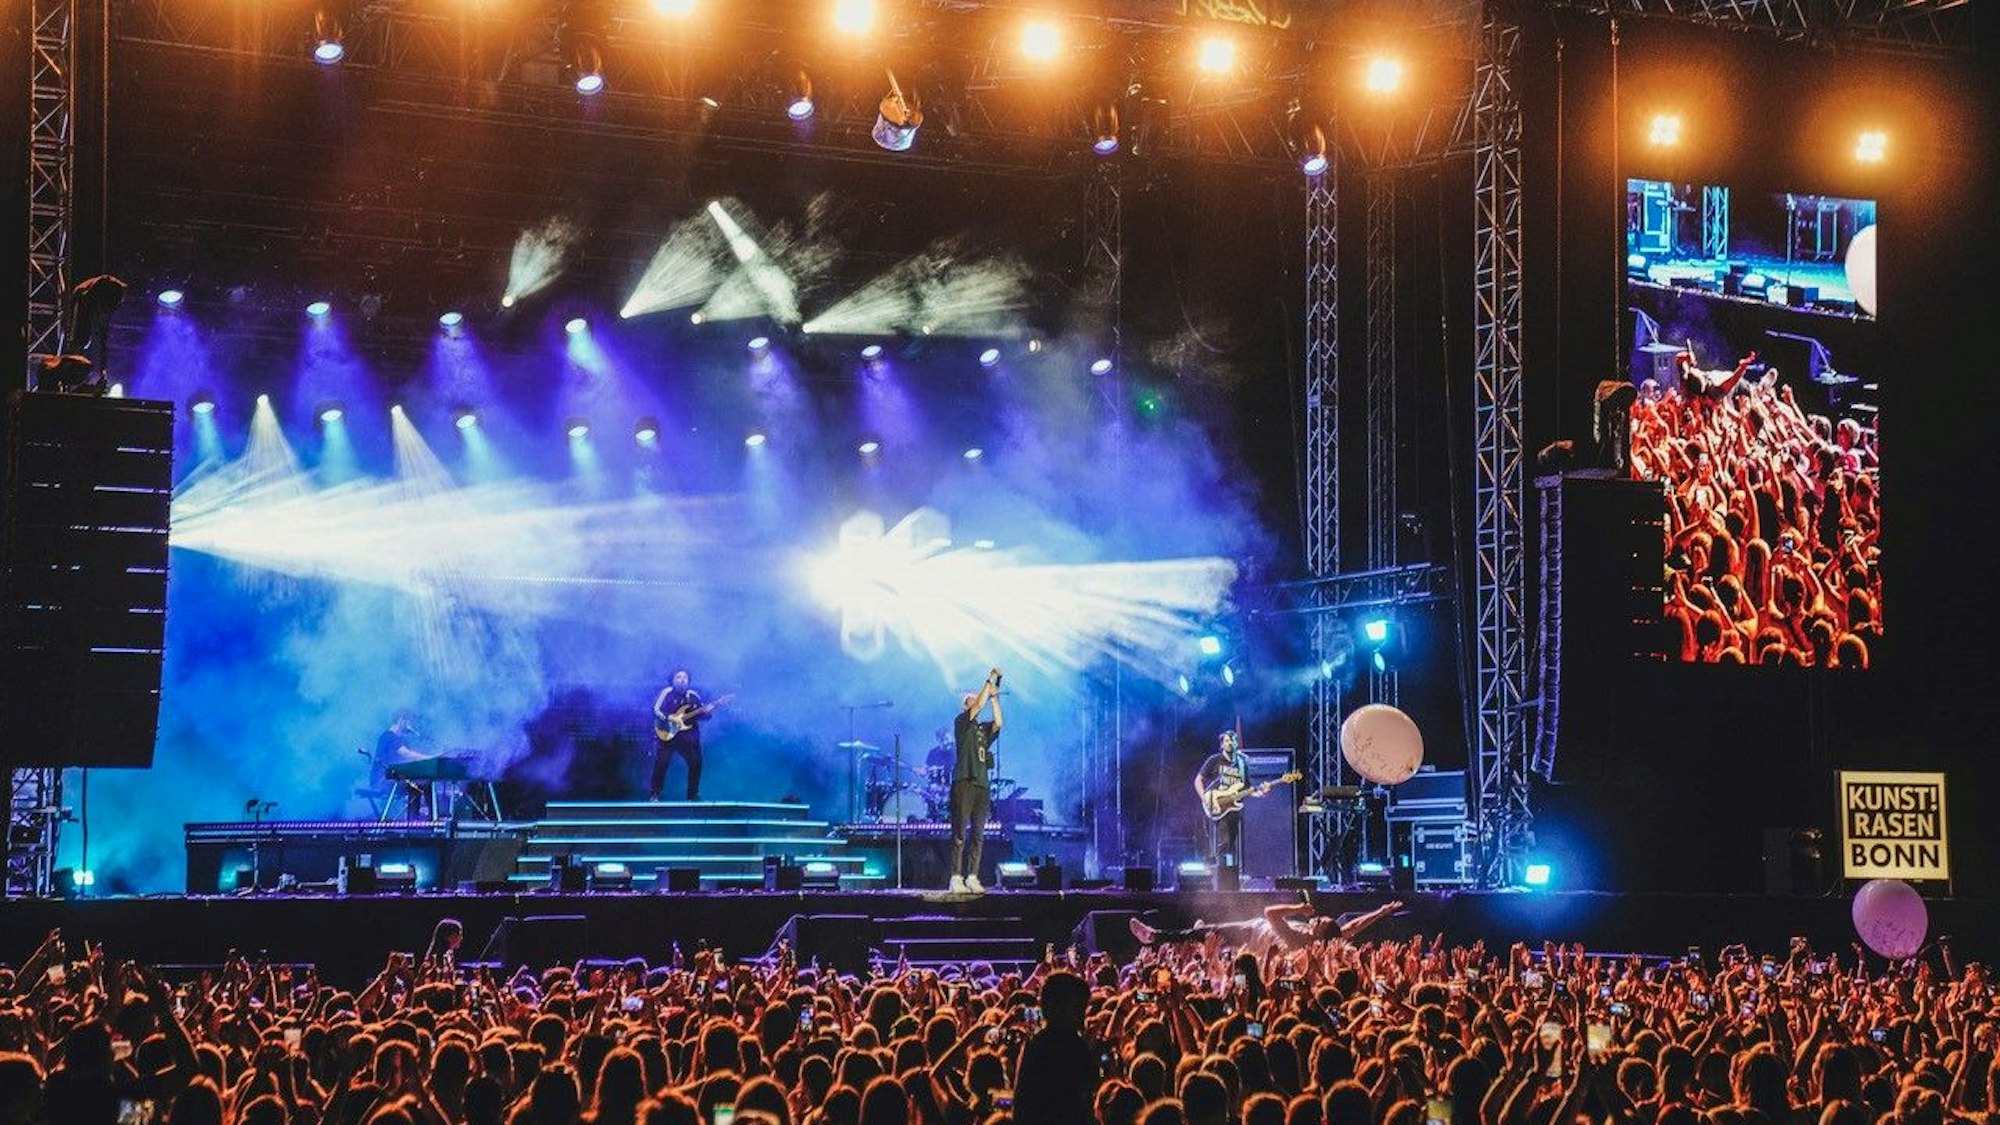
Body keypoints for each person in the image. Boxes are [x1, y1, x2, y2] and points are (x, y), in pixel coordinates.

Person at [946, 668, 1003, 894]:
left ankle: (972, 876)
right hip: (964, 782)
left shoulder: (981, 730)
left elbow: (998, 722)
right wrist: (988, 681)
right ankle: (955, 877)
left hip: (982, 785)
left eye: (974, 698)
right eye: (970, 700)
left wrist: (995, 698)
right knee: (960, 832)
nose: (975, 701)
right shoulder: (962, 723)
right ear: (965, 706)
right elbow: (979, 704)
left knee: (978, 834)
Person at [650, 670, 721, 802]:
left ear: (688, 681)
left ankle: (692, 796)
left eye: (685, 677)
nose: (682, 680)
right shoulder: (667, 693)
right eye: (678, 677)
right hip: (668, 735)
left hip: (688, 736)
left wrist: (707, 713)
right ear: (672, 680)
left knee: (696, 763)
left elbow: (702, 716)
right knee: (661, 763)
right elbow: (656, 709)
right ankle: (655, 794)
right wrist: (669, 717)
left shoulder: (693, 696)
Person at [1193, 730, 1251, 869]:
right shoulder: (1214, 760)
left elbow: (1247, 787)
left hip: (1234, 807)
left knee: (1231, 844)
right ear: (1222, 745)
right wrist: (1205, 799)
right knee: (1224, 842)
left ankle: (1230, 874)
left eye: (1233, 740)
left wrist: (1260, 791)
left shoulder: (1242, 763)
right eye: (1226, 741)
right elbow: (1198, 780)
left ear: (1237, 743)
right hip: (1217, 804)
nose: (1230, 743)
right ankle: (1221, 874)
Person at [372, 713, 428, 818]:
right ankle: (415, 821)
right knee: (423, 784)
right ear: (402, 720)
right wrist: (429, 758)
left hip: (391, 778)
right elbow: (406, 754)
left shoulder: (399, 739)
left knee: (421, 783)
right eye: (410, 721)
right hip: (383, 780)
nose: (411, 726)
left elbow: (408, 760)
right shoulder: (389, 736)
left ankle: (414, 820)